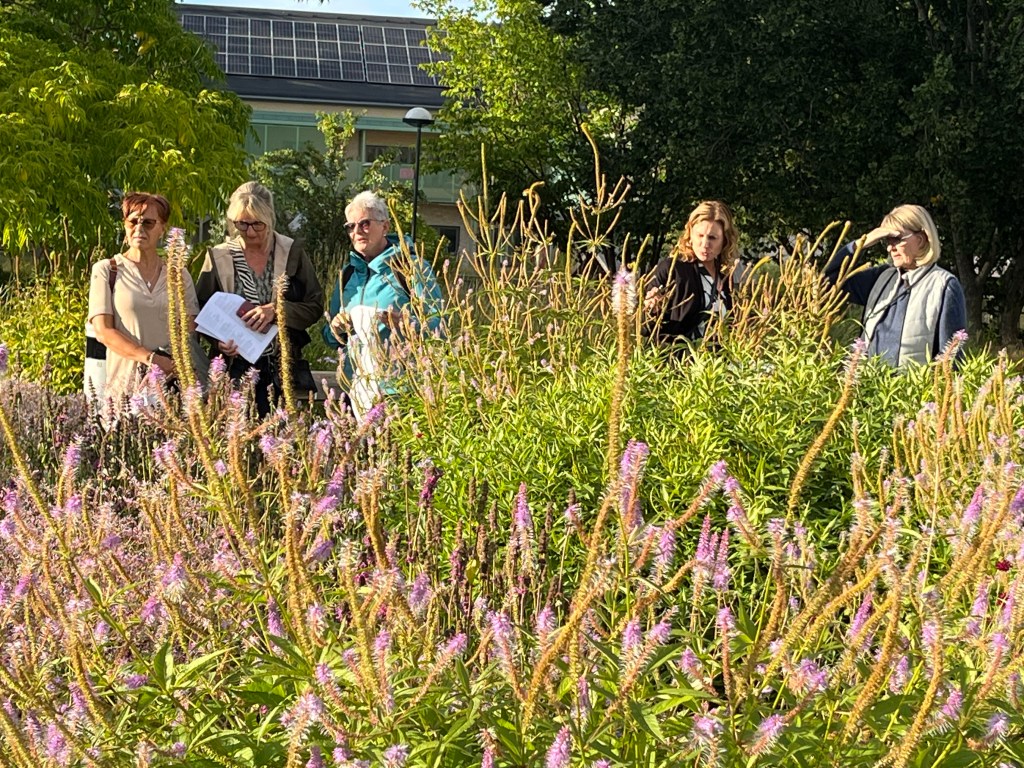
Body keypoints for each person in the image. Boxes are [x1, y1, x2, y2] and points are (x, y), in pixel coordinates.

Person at [197, 181, 324, 417]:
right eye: (242, 224)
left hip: (281, 367)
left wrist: (277, 311)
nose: (250, 232)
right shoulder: (219, 256)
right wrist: (217, 341)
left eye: (258, 224)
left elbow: (315, 305)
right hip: (233, 369)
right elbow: (200, 310)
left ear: (270, 219)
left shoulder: (291, 252)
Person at [322, 190, 443, 417]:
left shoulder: (410, 269)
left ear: (385, 226)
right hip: (355, 391)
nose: (357, 231)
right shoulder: (347, 275)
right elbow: (329, 338)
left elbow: (440, 328)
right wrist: (336, 328)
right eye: (351, 226)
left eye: (365, 224)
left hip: (400, 392)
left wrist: (405, 325)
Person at [87, 192, 200, 417]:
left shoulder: (178, 274)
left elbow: (189, 327)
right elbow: (103, 331)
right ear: (125, 225)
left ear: (162, 229)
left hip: (170, 387)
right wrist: (150, 358)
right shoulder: (107, 270)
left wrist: (169, 363)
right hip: (124, 390)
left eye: (148, 223)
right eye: (133, 222)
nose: (139, 229)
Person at [823, 204, 966, 366]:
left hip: (912, 382)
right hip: (867, 380)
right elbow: (827, 283)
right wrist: (860, 244)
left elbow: (951, 357)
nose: (890, 248)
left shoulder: (943, 285)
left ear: (921, 239)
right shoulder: (881, 277)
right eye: (887, 241)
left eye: (897, 239)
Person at [644, 200, 740, 344]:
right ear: (690, 235)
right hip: (679, 356)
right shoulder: (673, 269)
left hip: (717, 356)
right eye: (700, 235)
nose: (705, 244)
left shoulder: (725, 276)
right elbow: (643, 327)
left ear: (725, 240)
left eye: (712, 238)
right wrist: (652, 309)